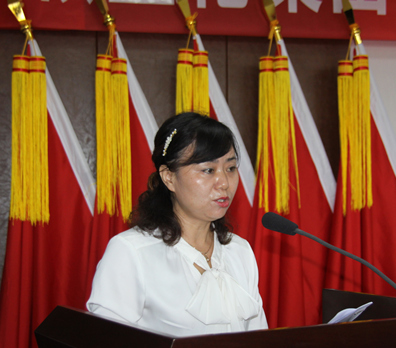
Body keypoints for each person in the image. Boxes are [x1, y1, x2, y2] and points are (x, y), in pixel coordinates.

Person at [87, 112, 268, 336]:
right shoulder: (131, 252)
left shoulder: (239, 251)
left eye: (230, 168)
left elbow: (259, 343)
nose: (224, 183)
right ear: (169, 177)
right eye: (208, 170)